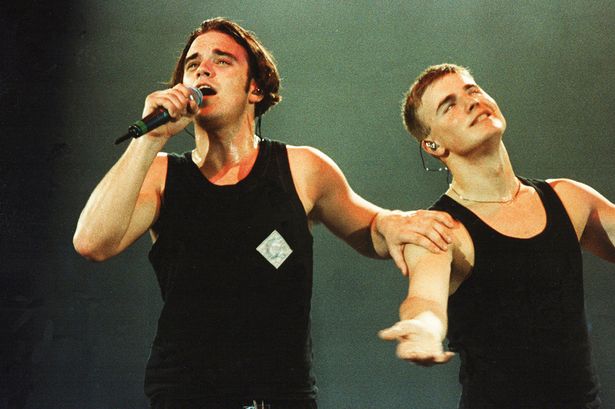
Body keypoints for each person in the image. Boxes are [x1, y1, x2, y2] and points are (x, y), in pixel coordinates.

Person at [73, 18, 455, 409]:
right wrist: (149, 140)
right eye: (193, 64)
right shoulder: (161, 175)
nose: (203, 70)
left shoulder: (302, 168)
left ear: (255, 88)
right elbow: (92, 243)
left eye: (222, 61)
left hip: (282, 398)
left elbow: (371, 228)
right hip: (186, 396)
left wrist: (394, 223)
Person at [379, 63, 615, 408]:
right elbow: (425, 300)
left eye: (472, 90)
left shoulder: (568, 199)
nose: (471, 102)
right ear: (432, 144)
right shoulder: (440, 229)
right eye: (449, 105)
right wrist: (424, 328)